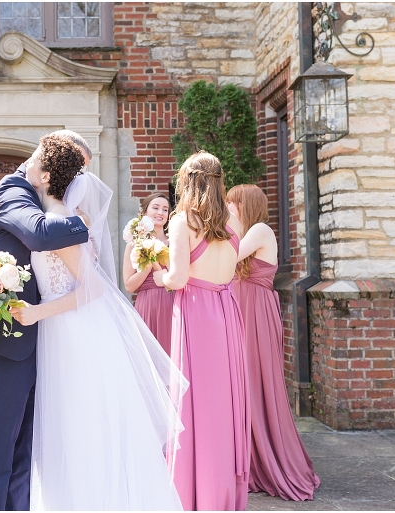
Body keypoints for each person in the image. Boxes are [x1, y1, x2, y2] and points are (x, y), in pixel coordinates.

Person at [10, 135, 186, 510]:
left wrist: (37, 312)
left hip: (74, 329)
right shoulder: (54, 218)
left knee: (80, 424)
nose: (28, 165)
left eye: (35, 161)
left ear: (47, 176)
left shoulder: (58, 222)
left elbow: (91, 290)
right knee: (65, 426)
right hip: (60, 330)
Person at [0, 133, 90, 511]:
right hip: (8, 342)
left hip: (41, 338)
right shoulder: (12, 190)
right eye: (70, 171)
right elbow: (39, 234)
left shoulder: (42, 196)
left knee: (25, 450)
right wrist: (85, 224)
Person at [152, 151, 251, 510]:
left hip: (196, 313)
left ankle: (196, 493)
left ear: (186, 181)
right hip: (227, 312)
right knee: (223, 404)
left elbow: (178, 278)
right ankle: (221, 490)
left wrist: (159, 274)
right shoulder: (233, 223)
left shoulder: (183, 221)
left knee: (197, 404)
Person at [227, 184, 320, 501]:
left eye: (232, 202)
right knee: (240, 384)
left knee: (259, 380)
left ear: (247, 204)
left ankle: (272, 459)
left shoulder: (260, 230)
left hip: (257, 312)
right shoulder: (243, 230)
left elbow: (230, 254)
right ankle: (247, 459)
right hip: (240, 308)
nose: (228, 206)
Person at [122, 192, 176, 355]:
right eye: (156, 208)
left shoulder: (174, 242)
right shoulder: (134, 244)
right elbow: (129, 285)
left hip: (172, 302)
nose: (160, 212)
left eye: (165, 209)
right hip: (147, 304)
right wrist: (147, 263)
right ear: (145, 212)